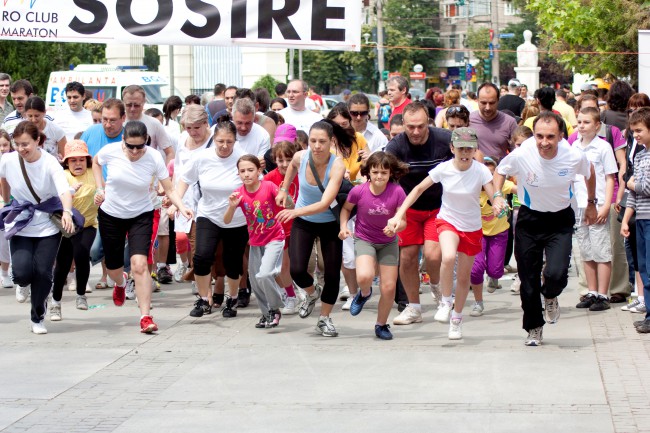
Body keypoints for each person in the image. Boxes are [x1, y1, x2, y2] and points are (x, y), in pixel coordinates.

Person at [387, 128, 505, 340]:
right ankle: (445, 302)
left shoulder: (480, 171)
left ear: (475, 149)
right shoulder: (443, 168)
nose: (465, 153)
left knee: (463, 277)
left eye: (469, 148)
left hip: (471, 226)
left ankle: (456, 320)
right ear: (452, 148)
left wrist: (497, 202)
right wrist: (399, 214)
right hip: (447, 220)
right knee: (448, 256)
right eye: (460, 148)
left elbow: (492, 192)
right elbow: (417, 190)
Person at [493, 112, 597, 346]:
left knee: (557, 274)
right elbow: (500, 170)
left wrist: (591, 202)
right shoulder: (523, 153)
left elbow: (589, 173)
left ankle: (550, 295)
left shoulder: (572, 155)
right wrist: (498, 195)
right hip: (530, 220)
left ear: (561, 136)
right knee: (527, 280)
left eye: (550, 137)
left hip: (559, 221)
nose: (544, 142)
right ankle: (534, 327)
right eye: (539, 136)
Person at [92, 121, 192, 333]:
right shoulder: (110, 151)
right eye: (131, 146)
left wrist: (181, 207)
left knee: (139, 264)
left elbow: (169, 188)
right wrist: (100, 188)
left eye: (141, 146)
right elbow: (96, 162)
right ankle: (121, 283)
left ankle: (145, 316)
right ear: (123, 141)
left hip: (141, 215)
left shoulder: (154, 157)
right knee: (113, 269)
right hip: (111, 214)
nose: (136, 151)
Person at [0, 121, 77, 334]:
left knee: (43, 271)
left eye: (26, 144)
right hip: (22, 221)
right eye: (17, 144)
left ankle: (37, 316)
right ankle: (22, 283)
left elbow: (63, 191)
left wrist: (68, 213)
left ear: (37, 141)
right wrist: (6, 200)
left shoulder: (49, 162)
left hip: (47, 224)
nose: (21, 149)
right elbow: (3, 178)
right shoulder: (8, 160)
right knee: (23, 273)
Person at [275, 120, 347, 337]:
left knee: (332, 274)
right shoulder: (300, 156)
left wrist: (295, 211)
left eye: (322, 142)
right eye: (313, 140)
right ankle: (311, 292)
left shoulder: (337, 165)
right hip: (304, 222)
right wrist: (284, 189)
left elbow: (325, 203)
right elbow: (292, 168)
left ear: (331, 142)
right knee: (297, 270)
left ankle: (324, 319)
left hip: (329, 223)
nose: (316, 146)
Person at [385, 101, 453, 325]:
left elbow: (469, 160)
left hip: (438, 207)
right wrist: (395, 213)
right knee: (407, 257)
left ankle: (438, 289)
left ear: (429, 123)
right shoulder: (395, 147)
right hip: (408, 209)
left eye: (421, 126)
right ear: (403, 123)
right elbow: (389, 181)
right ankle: (413, 307)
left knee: (434, 255)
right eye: (410, 126)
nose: (415, 132)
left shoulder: (444, 139)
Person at [176, 121, 249, 319]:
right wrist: (177, 202)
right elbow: (185, 179)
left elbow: (254, 183)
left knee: (232, 264)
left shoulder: (242, 158)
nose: (225, 146)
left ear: (236, 141)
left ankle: (232, 299)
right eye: (220, 141)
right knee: (201, 257)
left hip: (236, 219)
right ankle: (203, 299)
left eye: (229, 141)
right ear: (214, 139)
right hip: (208, 215)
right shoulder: (203, 157)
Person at [339, 151, 408, 340]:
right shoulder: (359, 191)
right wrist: (344, 226)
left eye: (384, 173)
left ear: (390, 174)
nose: (379, 176)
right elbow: (346, 209)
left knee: (388, 288)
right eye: (375, 172)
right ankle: (365, 293)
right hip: (365, 239)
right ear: (368, 172)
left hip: (388, 243)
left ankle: (381, 324)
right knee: (364, 276)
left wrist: (395, 227)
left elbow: (403, 221)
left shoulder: (397, 191)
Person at [224, 155, 286, 328]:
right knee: (255, 279)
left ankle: (276, 306)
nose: (246, 174)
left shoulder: (268, 186)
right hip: (255, 242)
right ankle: (266, 314)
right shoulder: (239, 194)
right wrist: (231, 206)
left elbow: (288, 203)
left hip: (274, 237)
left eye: (250, 170)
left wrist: (284, 194)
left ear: (259, 171)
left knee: (264, 274)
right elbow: (226, 220)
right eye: (242, 171)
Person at [573, 107, 618, 312]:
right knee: (586, 250)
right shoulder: (574, 146)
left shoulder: (603, 147)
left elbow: (610, 177)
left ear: (597, 125)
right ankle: (591, 291)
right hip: (579, 205)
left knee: (601, 250)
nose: (581, 126)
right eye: (579, 122)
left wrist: (607, 204)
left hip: (598, 203)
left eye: (586, 122)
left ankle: (603, 293)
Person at [166, 105, 214, 288]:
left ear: (205, 123)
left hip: (209, 199)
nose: (193, 132)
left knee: (204, 244)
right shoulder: (182, 139)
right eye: (188, 127)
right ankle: (201, 280)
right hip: (186, 199)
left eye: (197, 127)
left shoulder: (215, 141)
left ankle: (208, 280)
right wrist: (174, 199)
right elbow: (178, 170)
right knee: (191, 241)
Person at [326, 103, 369, 309]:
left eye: (345, 124)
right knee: (347, 253)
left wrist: (362, 172)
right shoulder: (325, 143)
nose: (341, 128)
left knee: (361, 250)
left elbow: (367, 167)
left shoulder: (358, 140)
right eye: (337, 125)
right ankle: (353, 293)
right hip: (335, 202)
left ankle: (363, 288)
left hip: (359, 199)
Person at [50, 140, 99, 317]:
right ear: (66, 162)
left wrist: (102, 197)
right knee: (62, 263)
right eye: (73, 160)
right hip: (66, 226)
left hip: (88, 225)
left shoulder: (94, 174)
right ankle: (55, 302)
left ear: (87, 160)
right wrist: (70, 191)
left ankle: (81, 295)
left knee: (81, 252)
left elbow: (105, 190)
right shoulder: (62, 176)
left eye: (81, 160)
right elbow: (54, 199)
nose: (78, 164)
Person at [469, 156, 516, 316]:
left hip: (499, 233)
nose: (488, 181)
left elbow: (520, 189)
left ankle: (494, 277)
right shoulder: (471, 188)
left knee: (496, 271)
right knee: (476, 270)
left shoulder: (501, 186)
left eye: (491, 176)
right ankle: (478, 303)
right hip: (477, 233)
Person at [264, 140, 302, 315]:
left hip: (299, 226)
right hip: (278, 228)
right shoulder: (270, 178)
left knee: (297, 265)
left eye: (288, 159)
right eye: (280, 160)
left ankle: (300, 289)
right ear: (275, 160)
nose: (285, 164)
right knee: (282, 266)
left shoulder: (302, 174)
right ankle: (291, 297)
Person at [621, 108, 650, 333]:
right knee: (643, 268)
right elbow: (634, 193)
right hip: (640, 217)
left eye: (639, 131)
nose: (636, 136)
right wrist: (626, 218)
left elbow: (644, 187)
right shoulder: (639, 155)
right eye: (633, 132)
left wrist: (631, 183)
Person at [470, 83, 517, 160]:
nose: (487, 107)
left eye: (491, 103)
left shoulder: (509, 122)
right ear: (477, 100)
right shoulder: (468, 121)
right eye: (483, 103)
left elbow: (516, 152)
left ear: (498, 101)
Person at [232, 98, 270, 166]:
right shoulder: (220, 131)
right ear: (232, 117)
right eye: (239, 123)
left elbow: (259, 166)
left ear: (254, 119)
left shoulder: (263, 135)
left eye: (248, 123)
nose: (243, 128)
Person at [0, 129, 13, 288]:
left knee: (5, 240)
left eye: (5, 144)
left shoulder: (12, 161)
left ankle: (5, 271)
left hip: (10, 204)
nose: (2, 148)